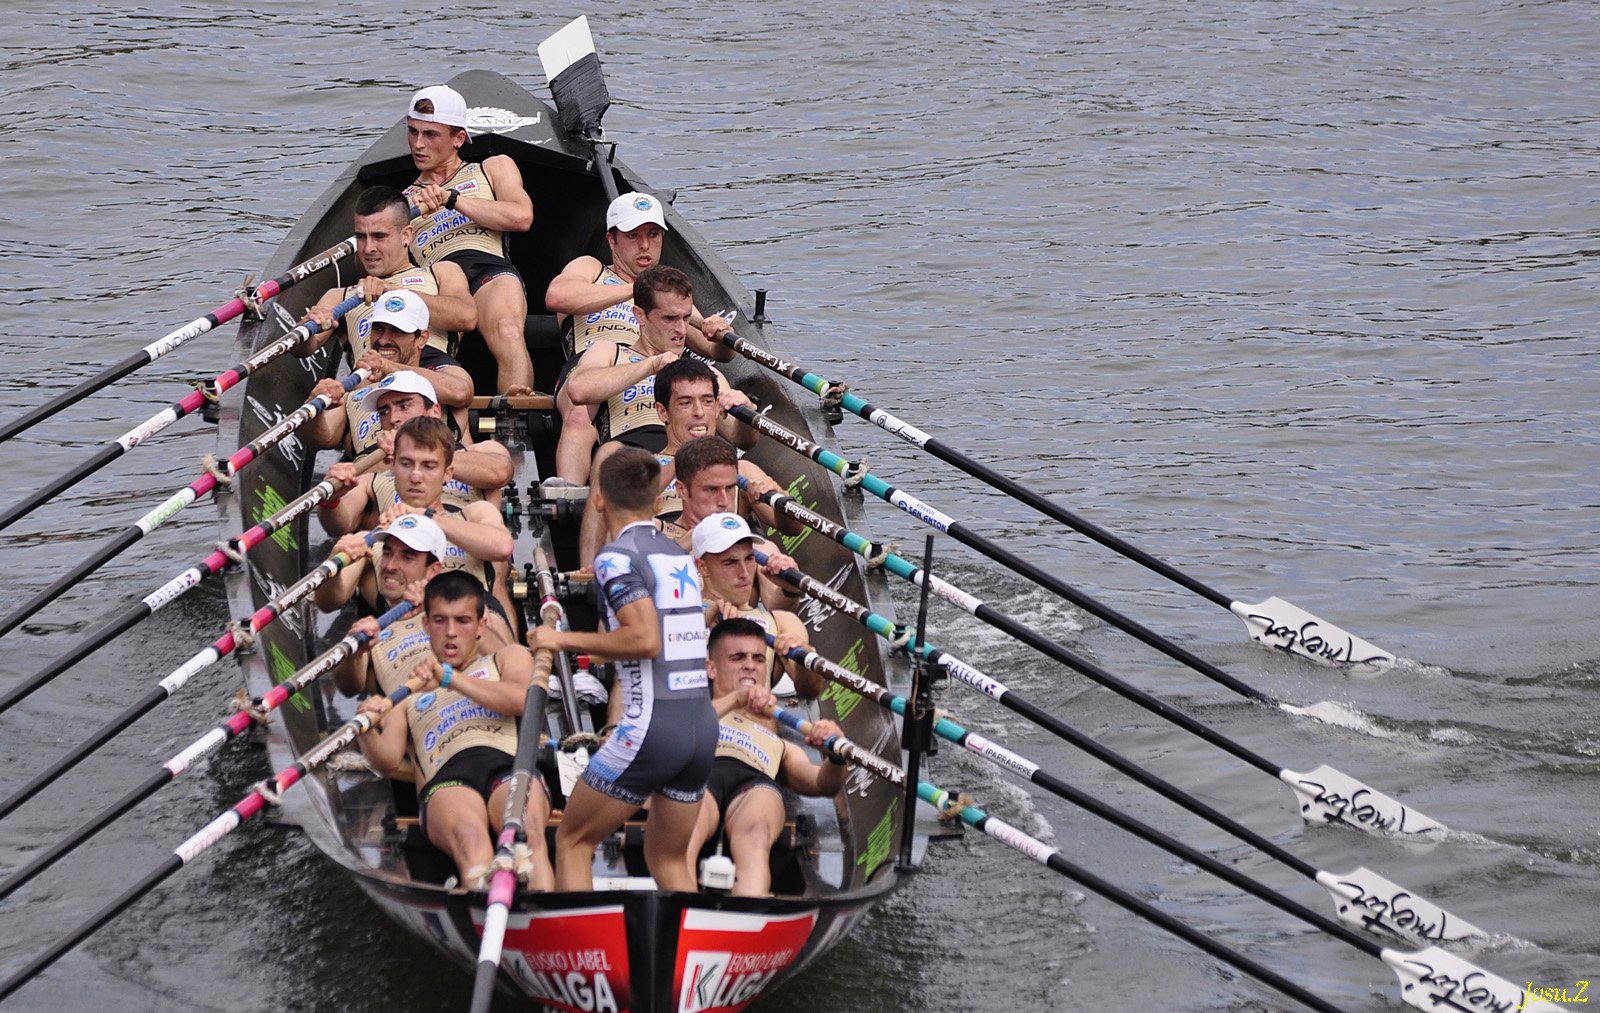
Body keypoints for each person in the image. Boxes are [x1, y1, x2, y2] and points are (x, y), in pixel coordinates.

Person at [527, 447, 717, 893]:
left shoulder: (615, 558)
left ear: (598, 498)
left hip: (651, 729)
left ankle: (580, 936)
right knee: (668, 859)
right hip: (701, 728)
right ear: (658, 499)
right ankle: (678, 935)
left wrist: (560, 640)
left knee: (573, 841)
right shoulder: (677, 555)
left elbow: (644, 640)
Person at [356, 571, 552, 891]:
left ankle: (542, 913)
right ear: (425, 624)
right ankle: (484, 911)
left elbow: (521, 700)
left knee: (526, 834)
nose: (450, 633)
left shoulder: (507, 658)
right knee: (470, 839)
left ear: (481, 625)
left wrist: (449, 679)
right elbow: (387, 762)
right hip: (447, 780)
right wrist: (365, 728)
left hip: (510, 766)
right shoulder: (408, 692)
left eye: (462, 621)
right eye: (440, 620)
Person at [545, 192, 735, 482]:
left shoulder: (668, 293)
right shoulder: (591, 269)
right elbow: (557, 297)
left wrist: (722, 333)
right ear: (611, 241)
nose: (645, 245)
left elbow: (717, 351)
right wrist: (637, 289)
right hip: (595, 362)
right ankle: (569, 492)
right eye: (633, 236)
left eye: (653, 235)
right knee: (580, 413)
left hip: (654, 363)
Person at [685, 618, 846, 897]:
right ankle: (680, 905)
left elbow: (823, 785)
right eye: (737, 657)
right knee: (688, 827)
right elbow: (679, 732)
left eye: (758, 659)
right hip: (700, 775)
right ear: (711, 668)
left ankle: (749, 905)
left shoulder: (781, 744)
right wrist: (737, 698)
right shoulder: (692, 708)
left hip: (754, 786)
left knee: (756, 833)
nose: (750, 665)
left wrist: (836, 757)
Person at [323, 416, 518, 639]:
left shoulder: (474, 514)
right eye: (406, 464)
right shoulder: (371, 541)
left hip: (477, 639)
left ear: (447, 474)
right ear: (393, 466)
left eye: (428, 466)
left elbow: (502, 547)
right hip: (411, 646)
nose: (415, 476)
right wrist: (335, 557)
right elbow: (328, 601)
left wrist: (426, 516)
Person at [402, 85, 535, 394]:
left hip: (487, 266)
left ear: (459, 139)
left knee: (507, 329)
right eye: (413, 131)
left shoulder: (493, 168)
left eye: (430, 135)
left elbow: (521, 217)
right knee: (421, 350)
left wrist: (452, 199)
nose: (418, 144)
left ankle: (515, 414)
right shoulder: (401, 200)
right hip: (438, 280)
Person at [292, 184, 477, 363]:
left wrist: (392, 292)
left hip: (430, 372)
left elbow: (467, 318)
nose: (368, 248)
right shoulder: (339, 296)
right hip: (371, 379)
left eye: (379, 236)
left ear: (406, 236)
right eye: (361, 237)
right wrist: (306, 326)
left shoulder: (441, 272)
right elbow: (301, 350)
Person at [300, 289, 475, 458]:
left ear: (421, 339)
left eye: (397, 331)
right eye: (378, 329)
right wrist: (314, 404)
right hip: (369, 474)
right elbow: (320, 439)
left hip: (428, 469)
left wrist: (387, 368)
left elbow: (461, 392)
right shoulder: (355, 387)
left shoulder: (439, 378)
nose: (383, 340)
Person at [691, 513, 822, 699]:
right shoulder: (679, 614)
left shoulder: (783, 622)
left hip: (753, 717)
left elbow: (810, 691)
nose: (744, 573)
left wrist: (806, 657)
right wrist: (699, 625)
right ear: (702, 567)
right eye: (730, 562)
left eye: (749, 559)